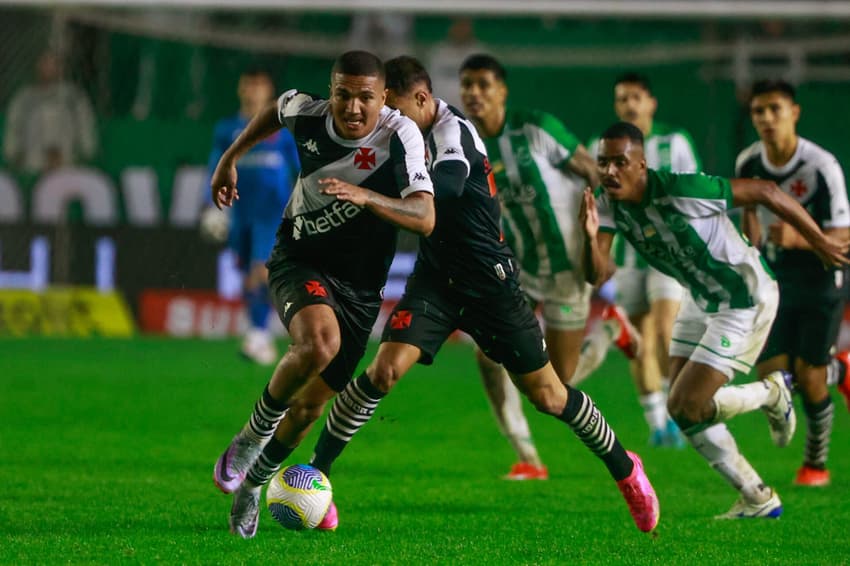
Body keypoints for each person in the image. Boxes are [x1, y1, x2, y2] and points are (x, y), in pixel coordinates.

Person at [305, 56, 659, 534]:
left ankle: (626, 470)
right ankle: (318, 477)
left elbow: (445, 188)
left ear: (424, 100)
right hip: (435, 281)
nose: (387, 118)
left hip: (490, 283)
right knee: (384, 371)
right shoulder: (393, 129)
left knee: (551, 395)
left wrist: (371, 193)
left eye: (396, 107)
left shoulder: (454, 131)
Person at [210, 50, 436, 539]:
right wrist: (231, 157)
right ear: (331, 91)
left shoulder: (401, 135)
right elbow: (273, 110)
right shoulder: (306, 111)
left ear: (383, 99)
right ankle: (250, 436)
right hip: (300, 258)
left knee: (311, 408)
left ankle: (254, 483)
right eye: (343, 95)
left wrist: (368, 197)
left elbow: (425, 216)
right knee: (317, 343)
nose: (353, 108)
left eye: (365, 98)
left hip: (361, 289)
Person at [582, 121, 849, 518]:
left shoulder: (681, 189)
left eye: (621, 162)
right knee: (681, 408)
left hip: (744, 296)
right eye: (603, 162)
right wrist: (589, 239)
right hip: (699, 296)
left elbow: (766, 191)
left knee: (689, 402)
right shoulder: (606, 202)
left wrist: (820, 241)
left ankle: (770, 394)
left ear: (642, 165)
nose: (610, 172)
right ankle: (756, 496)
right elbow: (597, 274)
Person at [457, 53, 640, 480]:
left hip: (567, 271)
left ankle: (613, 330)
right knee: (486, 354)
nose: (474, 93)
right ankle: (527, 457)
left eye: (484, 84)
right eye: (467, 85)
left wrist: (601, 241)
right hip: (518, 270)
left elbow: (595, 174)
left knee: (556, 384)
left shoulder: (534, 128)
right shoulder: (466, 144)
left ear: (502, 90)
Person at [737, 79, 850, 486]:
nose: (766, 119)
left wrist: (800, 239)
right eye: (758, 111)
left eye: (775, 109)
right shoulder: (748, 162)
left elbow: (845, 235)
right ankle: (839, 369)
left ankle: (815, 465)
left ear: (794, 113)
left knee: (810, 377)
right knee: (772, 376)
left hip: (821, 277)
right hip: (775, 279)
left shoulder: (821, 166)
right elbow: (748, 215)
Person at [587, 72, 701, 448]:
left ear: (651, 103)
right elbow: (598, 203)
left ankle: (677, 410)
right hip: (629, 258)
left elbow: (692, 193)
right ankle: (658, 425)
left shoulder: (674, 142)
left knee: (666, 328)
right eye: (622, 99)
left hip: (667, 256)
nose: (630, 105)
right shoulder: (600, 146)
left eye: (636, 97)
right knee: (638, 340)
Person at [203, 69, 300, 365]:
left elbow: (300, 168)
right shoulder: (227, 128)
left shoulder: (281, 131)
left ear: (268, 91)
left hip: (272, 210)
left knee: (261, 268)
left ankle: (261, 333)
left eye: (258, 85)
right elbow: (214, 166)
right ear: (239, 89)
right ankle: (262, 336)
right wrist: (210, 205)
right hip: (241, 211)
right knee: (248, 273)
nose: (252, 91)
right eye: (247, 84)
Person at [3, 51, 97, 173]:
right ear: (38, 66)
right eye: (46, 63)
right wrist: (13, 153)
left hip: (66, 162)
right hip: (33, 163)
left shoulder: (73, 97)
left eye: (54, 64)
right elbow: (14, 126)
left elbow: (85, 126)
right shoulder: (24, 97)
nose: (49, 68)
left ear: (61, 69)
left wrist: (85, 152)